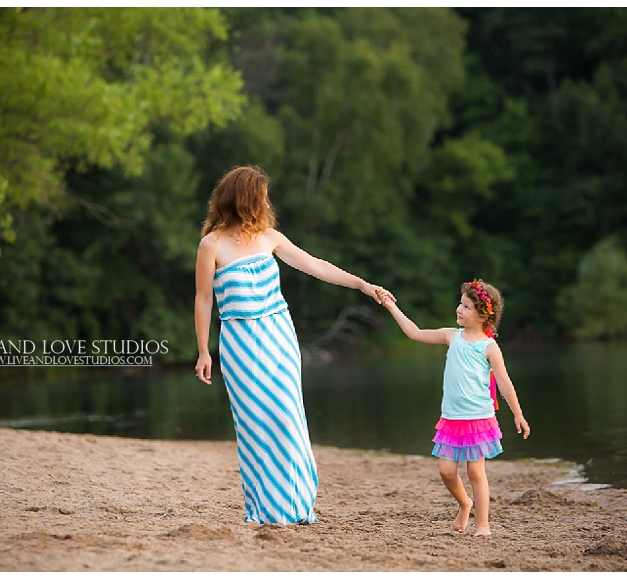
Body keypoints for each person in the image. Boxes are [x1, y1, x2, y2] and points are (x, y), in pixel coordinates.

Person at [194, 165, 392, 524]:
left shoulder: (270, 237)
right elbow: (203, 301)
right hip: (240, 344)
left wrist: (363, 285)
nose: (267, 202)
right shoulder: (211, 245)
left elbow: (316, 266)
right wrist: (204, 351)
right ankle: (267, 509)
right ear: (244, 199)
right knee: (256, 423)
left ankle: (297, 503)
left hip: (279, 337)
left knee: (288, 418)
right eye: (261, 196)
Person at [380, 279, 529, 536]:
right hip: (451, 418)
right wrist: (392, 307)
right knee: (446, 471)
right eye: (460, 304)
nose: (459, 310)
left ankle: (483, 524)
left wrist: (518, 414)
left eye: (467, 307)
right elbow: (414, 332)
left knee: (475, 471)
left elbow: (504, 381)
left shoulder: (489, 347)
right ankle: (465, 503)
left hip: (479, 418)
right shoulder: (452, 335)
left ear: (483, 315)